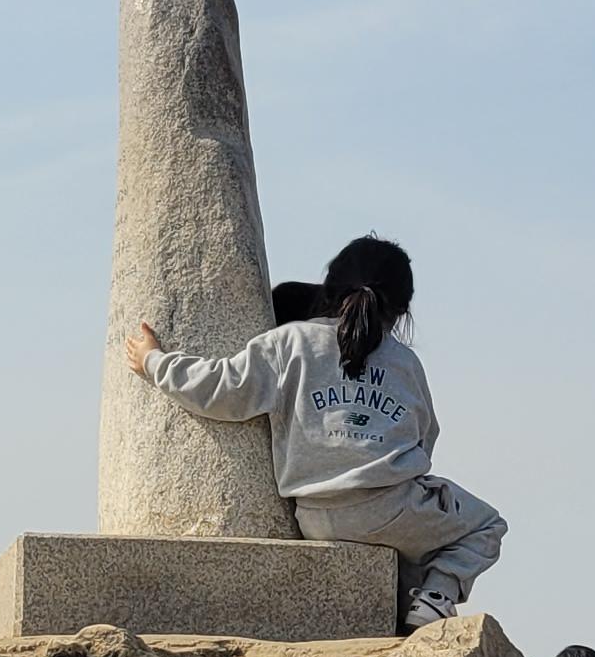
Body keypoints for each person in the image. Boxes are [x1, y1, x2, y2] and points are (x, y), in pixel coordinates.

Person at [128, 234, 505, 631]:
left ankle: (415, 609)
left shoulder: (291, 342)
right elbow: (425, 436)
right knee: (486, 525)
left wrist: (154, 361)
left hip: (316, 515)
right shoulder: (404, 362)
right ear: (401, 310)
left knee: (416, 545)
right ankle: (435, 600)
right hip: (390, 508)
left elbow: (221, 388)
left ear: (330, 288)